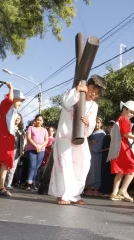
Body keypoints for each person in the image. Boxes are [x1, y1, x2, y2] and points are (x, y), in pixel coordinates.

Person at [49, 75, 106, 205]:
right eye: (92, 89)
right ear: (87, 86)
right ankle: (62, 195)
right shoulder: (75, 93)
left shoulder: (94, 106)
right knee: (64, 164)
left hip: (80, 138)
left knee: (84, 163)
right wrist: (77, 90)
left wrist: (87, 123)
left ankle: (74, 194)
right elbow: (66, 102)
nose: (93, 94)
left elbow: (91, 126)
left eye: (97, 94)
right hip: (65, 135)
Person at [107, 100, 134, 202]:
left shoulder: (118, 119)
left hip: (118, 147)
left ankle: (114, 193)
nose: (132, 114)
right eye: (131, 111)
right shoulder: (124, 119)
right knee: (133, 168)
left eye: (133, 112)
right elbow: (126, 134)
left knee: (120, 171)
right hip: (123, 147)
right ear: (124, 109)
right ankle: (123, 190)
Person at [25, 114, 48, 190]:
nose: (39, 121)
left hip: (41, 150)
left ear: (42, 121)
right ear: (35, 120)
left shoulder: (44, 130)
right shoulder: (31, 128)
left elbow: (46, 140)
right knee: (32, 166)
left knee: (37, 167)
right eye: (37, 120)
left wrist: (40, 146)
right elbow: (28, 138)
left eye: (40, 120)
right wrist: (35, 146)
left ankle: (34, 183)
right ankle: (29, 183)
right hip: (31, 149)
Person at [85, 117, 106, 196]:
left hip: (97, 154)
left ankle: (96, 188)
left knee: (97, 170)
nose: (97, 124)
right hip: (90, 154)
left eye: (98, 122)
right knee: (90, 170)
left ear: (101, 124)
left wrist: (92, 148)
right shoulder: (90, 133)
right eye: (96, 122)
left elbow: (100, 144)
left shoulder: (102, 133)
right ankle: (89, 188)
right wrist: (89, 142)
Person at [6, 113, 25, 190]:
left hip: (17, 150)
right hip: (8, 149)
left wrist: (22, 149)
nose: (17, 120)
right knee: (6, 166)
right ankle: (2, 182)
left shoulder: (21, 130)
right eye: (16, 118)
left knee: (13, 168)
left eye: (19, 119)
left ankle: (9, 183)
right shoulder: (9, 127)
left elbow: (23, 141)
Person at [99, 120, 115, 197]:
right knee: (104, 173)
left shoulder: (115, 137)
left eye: (112, 127)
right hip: (105, 156)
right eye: (109, 126)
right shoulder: (106, 136)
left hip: (111, 157)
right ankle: (104, 190)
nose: (110, 128)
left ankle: (109, 191)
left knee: (110, 174)